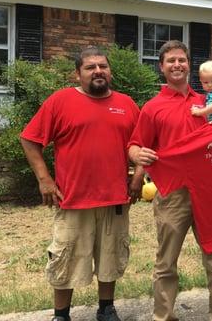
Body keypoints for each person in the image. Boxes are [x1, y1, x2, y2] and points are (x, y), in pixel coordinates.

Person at [20, 47, 142, 321]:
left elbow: (142, 142)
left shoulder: (127, 104)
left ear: (110, 72)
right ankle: (61, 315)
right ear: (77, 74)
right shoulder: (60, 101)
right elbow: (29, 139)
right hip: (73, 198)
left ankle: (106, 308)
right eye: (90, 67)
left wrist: (138, 175)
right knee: (66, 257)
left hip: (115, 198)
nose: (98, 71)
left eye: (103, 66)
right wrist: (45, 180)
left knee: (111, 256)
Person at [128, 40, 212, 321]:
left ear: (189, 66)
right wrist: (140, 154)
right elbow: (134, 146)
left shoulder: (207, 102)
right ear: (161, 67)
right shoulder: (152, 107)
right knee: (166, 263)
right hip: (172, 193)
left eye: (182, 60)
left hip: (209, 192)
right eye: (171, 60)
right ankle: (163, 317)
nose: (177, 65)